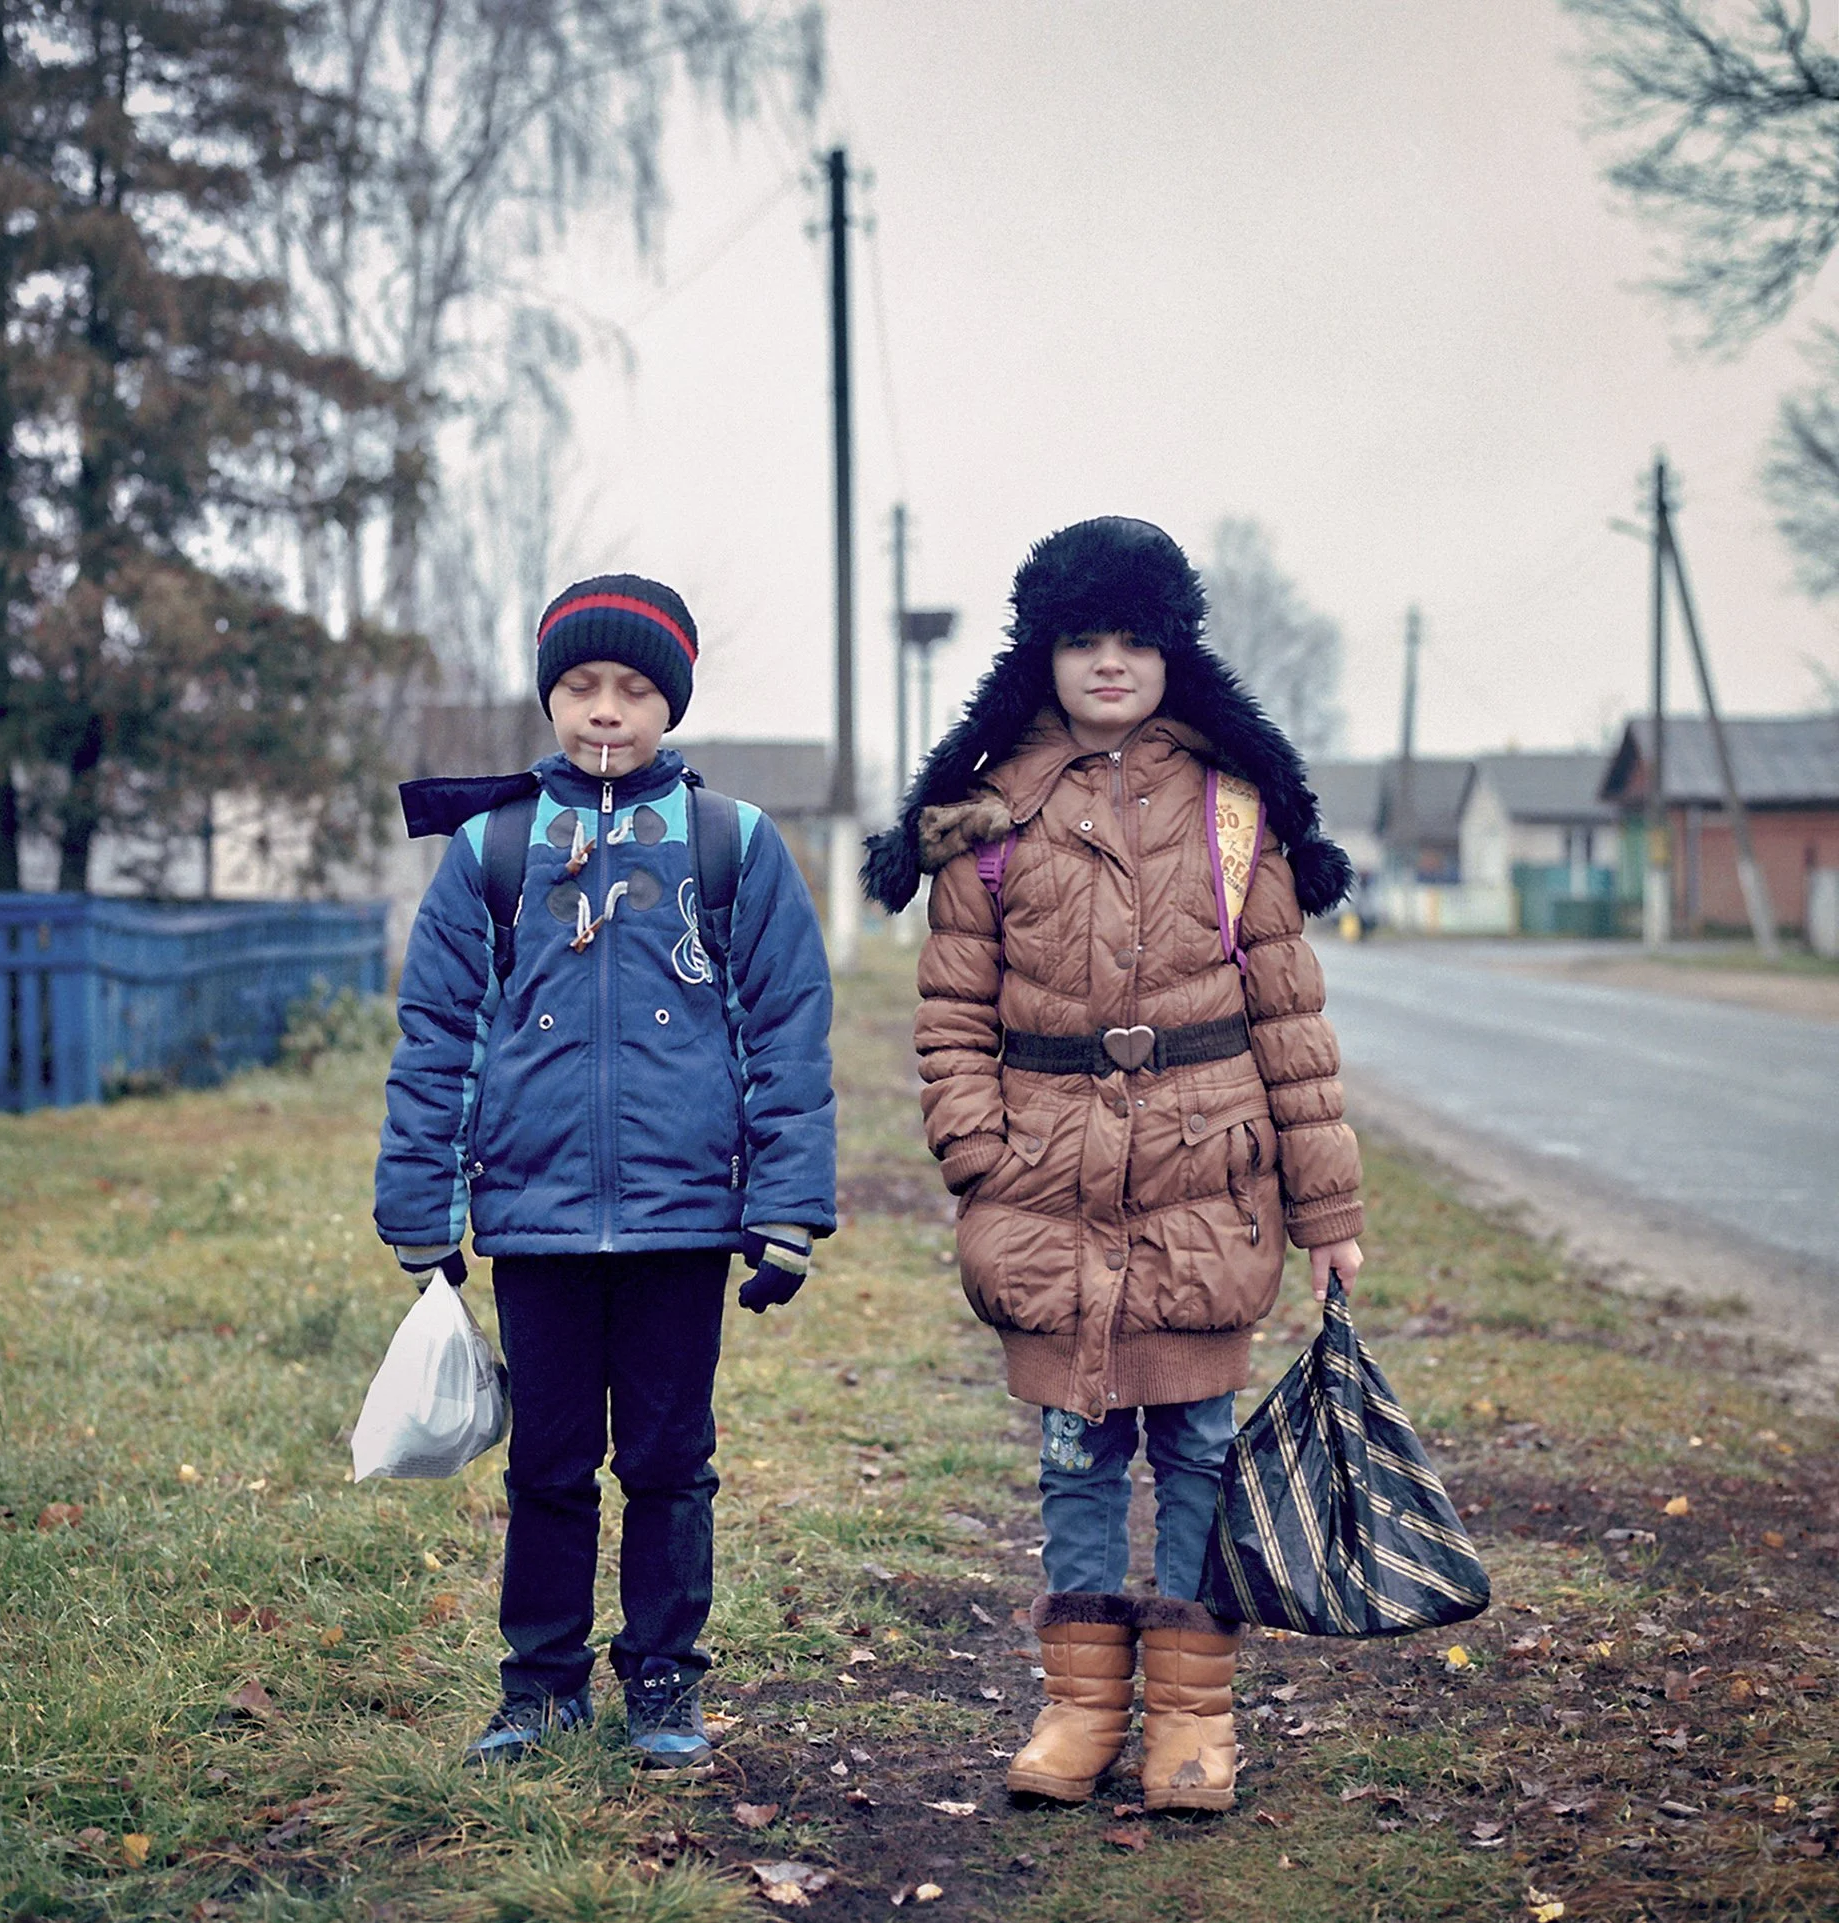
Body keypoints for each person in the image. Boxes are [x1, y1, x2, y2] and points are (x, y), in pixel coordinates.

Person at [863, 517, 1363, 1814]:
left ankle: (1193, 1723)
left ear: (1171, 651)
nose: (1107, 664)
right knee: (1077, 1452)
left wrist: (1329, 1210)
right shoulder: (989, 818)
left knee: (1197, 1442)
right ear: (1045, 651)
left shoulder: (1232, 809)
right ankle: (1079, 1710)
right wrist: (978, 1149)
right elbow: (953, 1014)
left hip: (1209, 1167)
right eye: (1083, 639)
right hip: (1046, 1174)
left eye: (1134, 639)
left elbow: (1294, 1029)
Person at [375, 573, 836, 1773]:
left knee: (672, 1463)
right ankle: (538, 1688)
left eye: (634, 688)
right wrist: (422, 1204)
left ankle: (665, 1682)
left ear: (669, 702)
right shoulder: (492, 850)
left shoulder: (733, 845)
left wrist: (784, 1205)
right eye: (581, 685)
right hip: (534, 1220)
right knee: (547, 1463)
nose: (605, 712)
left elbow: (787, 1031)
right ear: (549, 696)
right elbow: (436, 1034)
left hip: (686, 1220)